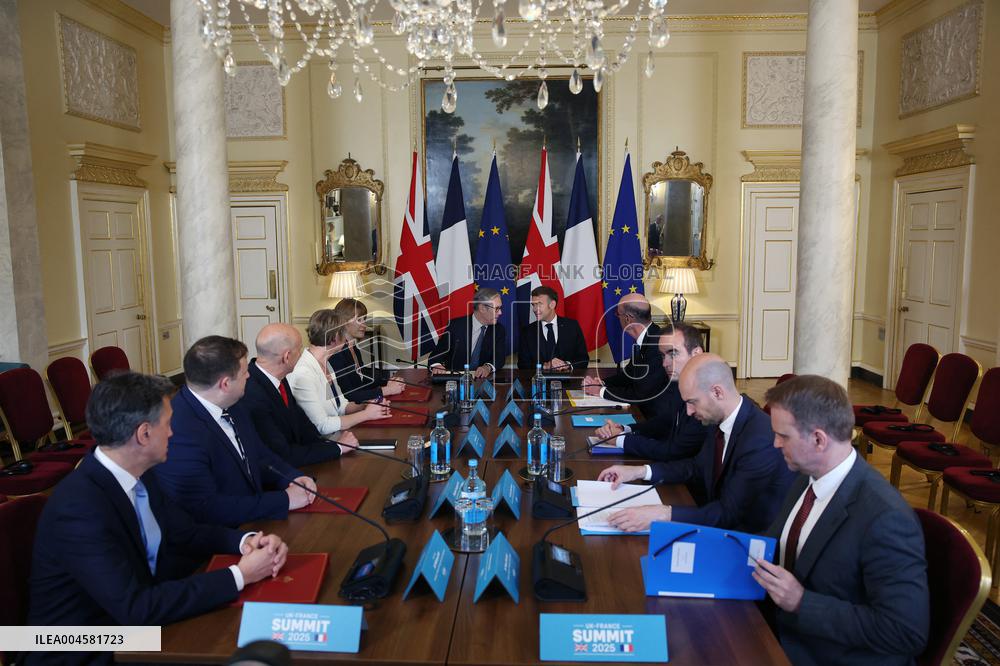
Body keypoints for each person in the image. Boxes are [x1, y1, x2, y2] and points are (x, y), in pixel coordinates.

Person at [26, 373, 288, 666]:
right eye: (168, 424)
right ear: (144, 434)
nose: (173, 433)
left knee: (255, 638)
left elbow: (184, 532)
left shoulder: (139, 472)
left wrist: (245, 541)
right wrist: (240, 575)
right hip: (84, 645)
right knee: (243, 647)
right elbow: (136, 609)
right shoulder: (78, 508)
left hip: (137, 618)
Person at [752, 375, 929, 666]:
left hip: (831, 654)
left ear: (819, 439)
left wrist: (801, 602)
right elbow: (778, 542)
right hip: (785, 629)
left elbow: (905, 631)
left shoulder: (886, 518)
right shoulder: (806, 477)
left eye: (783, 436)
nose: (774, 443)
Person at [597, 354, 794, 534]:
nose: (689, 412)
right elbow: (696, 467)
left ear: (717, 392)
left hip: (748, 541)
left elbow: (728, 513)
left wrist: (664, 514)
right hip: (718, 523)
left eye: (693, 402)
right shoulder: (720, 418)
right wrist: (639, 471)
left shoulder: (760, 439)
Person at [155, 336, 318, 528]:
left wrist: (293, 478)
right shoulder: (179, 430)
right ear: (225, 384)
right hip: (221, 539)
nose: (249, 376)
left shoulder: (234, 403)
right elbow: (207, 507)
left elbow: (259, 455)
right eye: (244, 372)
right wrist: (284, 500)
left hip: (256, 519)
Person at [240, 323, 357, 467]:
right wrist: (337, 447)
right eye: (300, 348)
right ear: (287, 357)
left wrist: (333, 444)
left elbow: (303, 427)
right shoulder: (253, 394)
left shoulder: (278, 377)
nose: (303, 353)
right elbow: (283, 454)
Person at [594, 321, 708, 461]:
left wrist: (620, 441)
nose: (665, 363)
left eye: (673, 354)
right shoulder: (676, 383)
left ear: (696, 353)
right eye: (662, 356)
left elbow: (674, 451)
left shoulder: (708, 395)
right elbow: (664, 423)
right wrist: (624, 430)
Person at [286, 309, 392, 436]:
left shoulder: (326, 363)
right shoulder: (303, 373)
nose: (347, 338)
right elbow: (322, 426)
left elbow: (342, 407)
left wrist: (367, 405)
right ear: (336, 337)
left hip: (336, 435)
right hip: (320, 441)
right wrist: (366, 415)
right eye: (344, 333)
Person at [582, 293, 668, 415]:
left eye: (618, 314)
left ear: (627, 318)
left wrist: (600, 391)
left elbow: (640, 394)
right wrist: (602, 383)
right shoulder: (646, 337)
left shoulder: (657, 345)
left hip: (653, 418)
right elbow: (628, 375)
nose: (618, 318)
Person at [329, 297, 404, 402]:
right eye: (359, 320)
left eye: (364, 319)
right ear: (343, 322)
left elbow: (362, 382)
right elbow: (349, 396)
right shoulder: (337, 354)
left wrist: (387, 382)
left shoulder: (353, 347)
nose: (364, 325)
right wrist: (386, 390)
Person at [430, 287, 507, 378]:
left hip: (482, 382)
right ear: (482, 308)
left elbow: (499, 358)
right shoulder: (456, 326)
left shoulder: (498, 330)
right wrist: (437, 366)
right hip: (455, 381)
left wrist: (488, 367)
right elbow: (436, 355)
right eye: (497, 308)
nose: (500, 312)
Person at [517, 285, 589, 372]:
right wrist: (545, 365)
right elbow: (522, 364)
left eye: (539, 304)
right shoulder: (527, 331)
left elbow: (583, 359)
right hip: (538, 384)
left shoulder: (572, 326)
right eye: (533, 305)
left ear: (552, 304)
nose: (535, 309)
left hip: (571, 383)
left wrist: (567, 364)